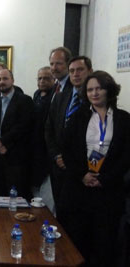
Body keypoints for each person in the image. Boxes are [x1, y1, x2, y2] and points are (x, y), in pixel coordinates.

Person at [61, 71, 130, 267]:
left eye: (99, 88)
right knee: (78, 242)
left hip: (108, 190)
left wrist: (105, 178)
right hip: (80, 189)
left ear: (109, 90)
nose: (94, 93)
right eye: (90, 89)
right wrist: (82, 175)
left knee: (104, 244)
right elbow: (67, 151)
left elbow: (126, 155)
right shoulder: (77, 117)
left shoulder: (124, 119)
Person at [45, 56, 93, 219]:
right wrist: (56, 155)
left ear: (90, 72)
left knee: (79, 217)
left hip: (82, 169)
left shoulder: (93, 100)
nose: (76, 74)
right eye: (72, 71)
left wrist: (71, 161)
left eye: (80, 70)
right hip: (58, 164)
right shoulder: (60, 96)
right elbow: (49, 129)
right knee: (61, 211)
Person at [0, 69, 34, 199]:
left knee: (15, 193)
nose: (2, 82)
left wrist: (3, 142)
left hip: (15, 154)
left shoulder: (24, 100)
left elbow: (23, 126)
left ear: (12, 80)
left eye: (5, 79)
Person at [31, 66, 55, 211]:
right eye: (40, 78)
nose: (42, 81)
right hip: (35, 147)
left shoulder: (56, 96)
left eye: (46, 78)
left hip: (48, 148)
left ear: (53, 79)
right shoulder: (36, 95)